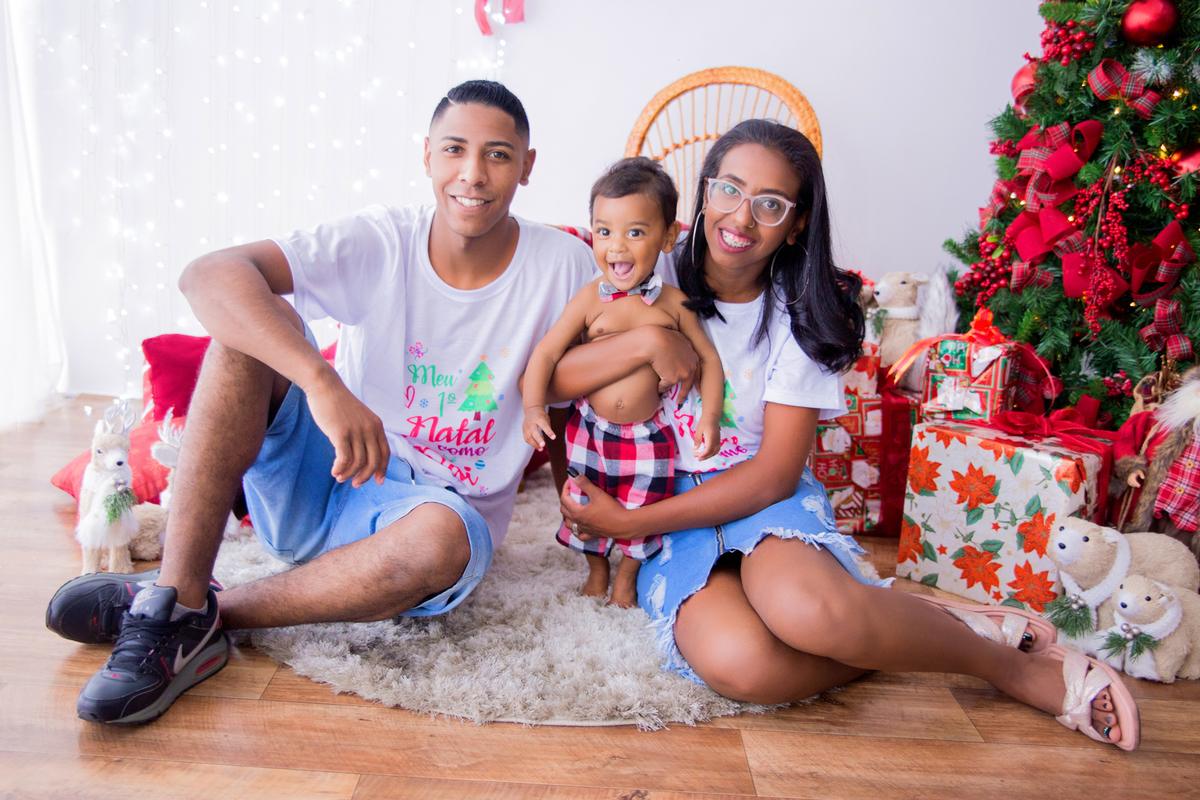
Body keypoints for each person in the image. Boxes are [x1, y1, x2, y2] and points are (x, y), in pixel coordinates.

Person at [546, 119, 1141, 751]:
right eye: (729, 190)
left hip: (757, 497)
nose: (741, 218)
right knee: (740, 664)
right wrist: (647, 340)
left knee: (808, 613)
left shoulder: (798, 316)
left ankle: (1007, 666)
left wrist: (633, 525)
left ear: (796, 222)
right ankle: (918, 624)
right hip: (665, 502)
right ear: (703, 193)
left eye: (770, 204)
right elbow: (555, 381)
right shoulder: (645, 265)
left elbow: (775, 472)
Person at [44, 80, 599, 725]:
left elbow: (584, 394)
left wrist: (582, 497)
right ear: (426, 155)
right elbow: (207, 273)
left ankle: (182, 612)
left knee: (440, 539)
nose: (471, 175)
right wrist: (322, 382)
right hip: (327, 474)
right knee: (251, 323)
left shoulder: (565, 264)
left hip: (431, 517)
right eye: (454, 150)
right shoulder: (383, 240)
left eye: (498, 155)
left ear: (527, 165)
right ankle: (177, 586)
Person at [521, 158, 724, 607]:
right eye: (604, 231)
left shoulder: (673, 303)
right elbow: (548, 352)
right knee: (582, 502)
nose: (617, 247)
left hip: (649, 435)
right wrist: (534, 407)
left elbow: (708, 358)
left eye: (635, 232)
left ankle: (627, 575)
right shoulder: (591, 298)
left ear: (668, 237)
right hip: (590, 430)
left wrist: (710, 416)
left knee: (643, 505)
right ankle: (596, 569)